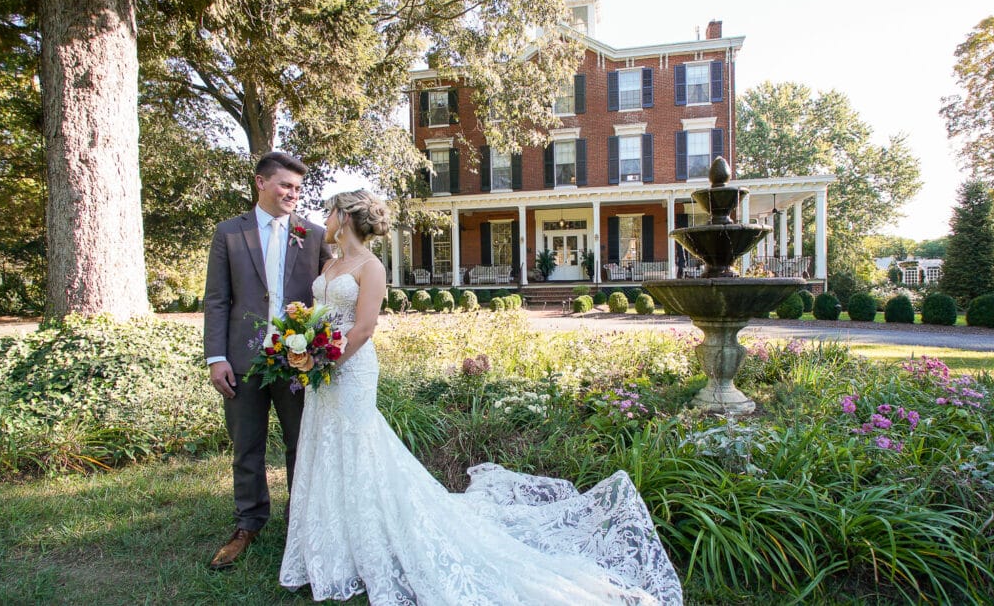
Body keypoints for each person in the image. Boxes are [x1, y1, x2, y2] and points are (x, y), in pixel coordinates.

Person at [279, 189, 683, 605]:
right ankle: (333, 546)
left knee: (358, 447)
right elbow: (316, 316)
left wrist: (329, 362)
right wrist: (304, 351)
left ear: (344, 217)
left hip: (350, 367)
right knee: (325, 445)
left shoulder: (371, 265)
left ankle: (371, 540)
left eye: (329, 211)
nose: (323, 218)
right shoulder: (329, 264)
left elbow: (364, 328)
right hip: (320, 370)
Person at [203, 152, 332, 570]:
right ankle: (248, 523)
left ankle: (303, 522)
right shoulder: (229, 233)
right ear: (260, 183)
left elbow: (328, 296)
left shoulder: (312, 235)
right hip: (242, 359)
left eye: (297, 188)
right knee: (247, 446)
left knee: (301, 444)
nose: (293, 194)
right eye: (285, 186)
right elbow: (218, 299)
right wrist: (216, 357)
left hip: (298, 360)